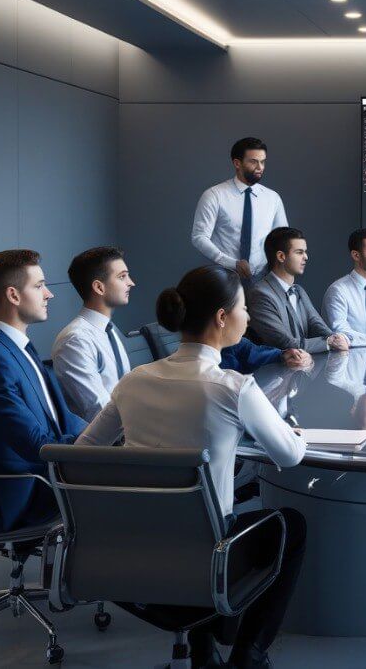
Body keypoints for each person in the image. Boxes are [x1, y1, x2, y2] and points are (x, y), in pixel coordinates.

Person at [78, 265, 306, 669]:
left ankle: (203, 648)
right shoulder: (233, 387)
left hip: (130, 550)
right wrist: (295, 432)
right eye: (243, 309)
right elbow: (289, 456)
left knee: (196, 516)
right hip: (209, 558)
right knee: (289, 525)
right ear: (222, 318)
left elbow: (83, 453)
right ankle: (248, 655)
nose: (248, 317)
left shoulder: (133, 380)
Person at [0, 250, 86, 532]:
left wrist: (105, 436)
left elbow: (61, 419)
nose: (49, 294)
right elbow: (36, 445)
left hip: (45, 473)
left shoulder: (14, 347)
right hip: (21, 493)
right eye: (39, 286)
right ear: (13, 296)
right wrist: (93, 448)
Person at [51, 247, 136, 421]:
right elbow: (99, 412)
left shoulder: (109, 331)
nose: (131, 282)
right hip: (107, 444)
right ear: (99, 287)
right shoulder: (75, 340)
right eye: (122, 276)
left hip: (129, 433)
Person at [191, 137, 287, 285]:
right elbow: (199, 236)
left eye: (263, 161)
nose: (260, 167)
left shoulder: (273, 198)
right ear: (237, 163)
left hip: (264, 280)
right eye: (253, 161)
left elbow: (283, 239)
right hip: (225, 279)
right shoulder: (215, 195)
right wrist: (231, 263)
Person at [246, 227, 349, 353]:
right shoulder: (260, 294)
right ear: (281, 256)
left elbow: (316, 324)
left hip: (304, 367)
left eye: (305, 252)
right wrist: (329, 342)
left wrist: (334, 338)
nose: (306, 257)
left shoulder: (299, 290)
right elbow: (285, 343)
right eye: (299, 252)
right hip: (274, 370)